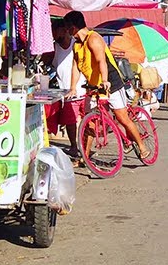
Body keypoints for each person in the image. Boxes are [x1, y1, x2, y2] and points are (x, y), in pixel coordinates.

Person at [60, 11, 152, 164]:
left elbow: (101, 61)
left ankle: (142, 146)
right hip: (93, 86)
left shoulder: (93, 39)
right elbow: (75, 67)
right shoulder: (76, 45)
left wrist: (105, 80)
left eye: (67, 27)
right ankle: (85, 156)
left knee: (123, 118)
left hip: (111, 83)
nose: (66, 31)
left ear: (73, 27)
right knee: (89, 123)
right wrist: (72, 87)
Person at [50, 19, 80, 155]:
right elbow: (48, 64)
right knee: (70, 122)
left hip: (81, 89)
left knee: (86, 122)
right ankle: (74, 146)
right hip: (66, 92)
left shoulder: (76, 45)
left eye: (56, 32)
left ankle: (84, 149)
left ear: (65, 30)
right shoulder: (55, 48)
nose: (55, 35)